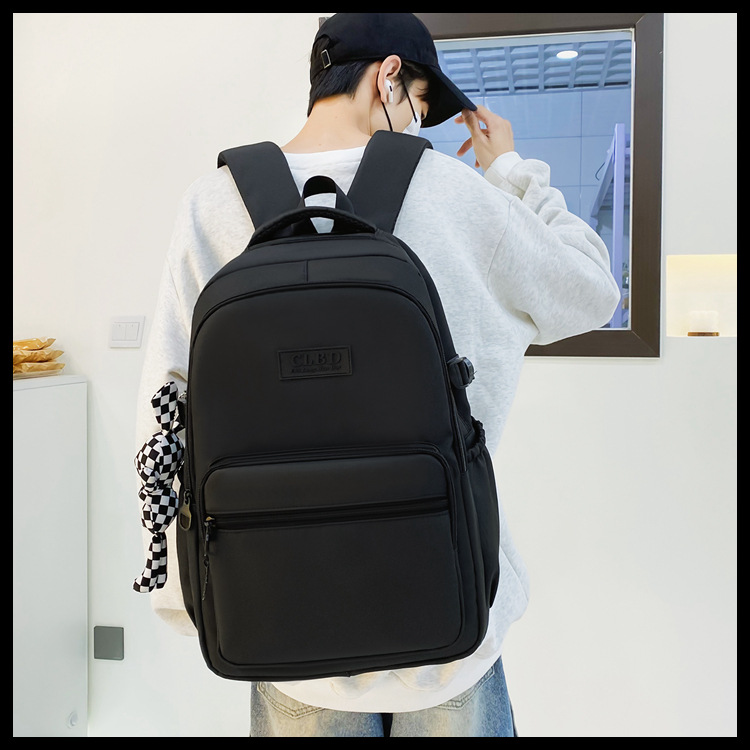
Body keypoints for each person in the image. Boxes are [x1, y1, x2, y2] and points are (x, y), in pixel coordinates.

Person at [135, 12, 621, 738]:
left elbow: (164, 408)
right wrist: (509, 170)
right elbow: (591, 288)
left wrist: (187, 594)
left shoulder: (213, 205)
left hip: (281, 619)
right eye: (420, 103)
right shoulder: (457, 194)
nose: (419, 126)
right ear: (387, 75)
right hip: (446, 616)